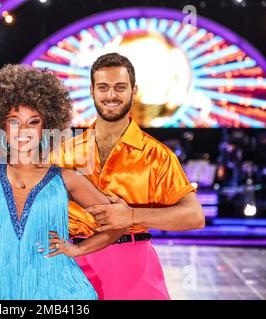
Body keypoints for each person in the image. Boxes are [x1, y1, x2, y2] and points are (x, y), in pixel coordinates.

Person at [0, 26, 126, 300]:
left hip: (62, 294)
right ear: (2, 124)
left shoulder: (67, 179)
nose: (23, 130)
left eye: (33, 122)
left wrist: (78, 249)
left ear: (46, 125)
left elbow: (117, 224)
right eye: (14, 121)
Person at [51, 52, 205, 300]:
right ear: (92, 90)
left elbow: (195, 217)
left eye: (119, 87)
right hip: (73, 265)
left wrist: (132, 215)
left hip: (134, 265)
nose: (111, 95)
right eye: (103, 87)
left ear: (134, 91)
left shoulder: (156, 155)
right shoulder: (62, 152)